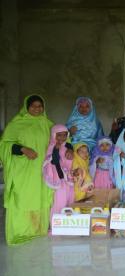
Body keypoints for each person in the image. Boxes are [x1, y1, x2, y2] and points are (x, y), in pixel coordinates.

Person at [0, 95, 54, 245]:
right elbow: (4, 145)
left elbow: (60, 139)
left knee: (40, 197)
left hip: (42, 171)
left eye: (40, 106)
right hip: (23, 170)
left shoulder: (48, 124)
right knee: (23, 198)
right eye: (33, 106)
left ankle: (38, 229)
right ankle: (21, 231)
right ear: (26, 107)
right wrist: (22, 149)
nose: (37, 109)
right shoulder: (16, 124)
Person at [43, 124, 74, 222]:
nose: (62, 138)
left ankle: (68, 223)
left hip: (68, 177)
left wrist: (70, 150)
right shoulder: (52, 146)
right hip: (58, 178)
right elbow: (54, 161)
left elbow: (71, 155)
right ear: (53, 135)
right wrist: (56, 149)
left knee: (70, 198)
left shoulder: (68, 145)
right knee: (59, 201)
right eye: (59, 135)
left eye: (64, 135)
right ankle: (56, 223)